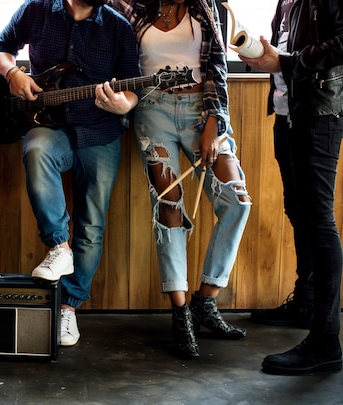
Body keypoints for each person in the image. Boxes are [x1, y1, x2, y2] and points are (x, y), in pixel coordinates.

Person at [0, 0, 140, 347]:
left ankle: (69, 310)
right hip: (48, 124)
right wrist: (12, 73)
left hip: (100, 130)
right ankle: (58, 246)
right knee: (37, 150)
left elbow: (133, 86)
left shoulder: (118, 27)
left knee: (91, 224)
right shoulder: (36, 9)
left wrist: (125, 103)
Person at [110, 0, 251, 359]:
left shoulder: (208, 8)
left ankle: (206, 300)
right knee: (169, 207)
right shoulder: (130, 8)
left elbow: (218, 67)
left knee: (237, 200)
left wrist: (213, 121)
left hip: (200, 112)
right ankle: (180, 311)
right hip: (152, 112)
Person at [240, 0, 343, 375]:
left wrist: (283, 62)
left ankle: (326, 340)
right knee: (298, 211)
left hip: (319, 115)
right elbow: (286, 47)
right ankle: (306, 302)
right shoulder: (287, 1)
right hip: (289, 114)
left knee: (319, 221)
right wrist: (267, 56)